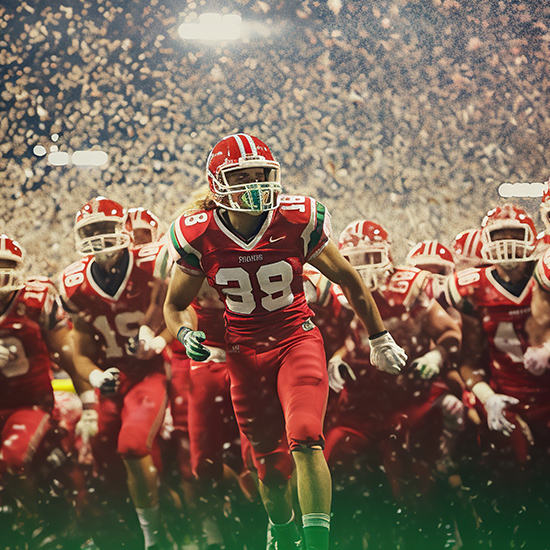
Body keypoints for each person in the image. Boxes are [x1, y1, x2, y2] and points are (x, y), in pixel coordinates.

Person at [163, 133, 407, 550]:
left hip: (296, 338)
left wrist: (379, 337)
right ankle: (282, 528)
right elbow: (174, 305)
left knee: (308, 434)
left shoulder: (297, 219)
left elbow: (348, 278)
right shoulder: (197, 232)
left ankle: (317, 544)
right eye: (243, 177)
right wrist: (185, 332)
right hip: (243, 353)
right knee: (270, 467)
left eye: (263, 175)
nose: (256, 186)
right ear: (216, 183)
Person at [324, 221, 464, 548]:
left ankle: (430, 532)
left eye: (373, 256)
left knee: (412, 478)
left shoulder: (410, 287)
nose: (366, 267)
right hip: (359, 404)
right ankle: (349, 535)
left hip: (407, 398)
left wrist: (438, 357)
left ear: (388, 255)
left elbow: (448, 333)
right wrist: (337, 356)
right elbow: (333, 337)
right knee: (335, 460)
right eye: (357, 259)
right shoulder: (335, 293)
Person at [59, 196, 174, 550]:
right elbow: (80, 350)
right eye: (89, 231)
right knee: (103, 460)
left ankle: (156, 537)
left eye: (104, 229)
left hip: (148, 373)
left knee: (134, 444)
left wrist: (157, 341)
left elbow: (180, 313)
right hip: (112, 379)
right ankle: (123, 533)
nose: (97, 238)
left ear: (123, 229)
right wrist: (94, 378)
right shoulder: (75, 284)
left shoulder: (153, 263)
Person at [446, 203, 549, 547]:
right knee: (508, 485)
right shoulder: (474, 288)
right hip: (510, 398)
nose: (507, 243)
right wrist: (487, 396)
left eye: (514, 234)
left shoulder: (545, 275)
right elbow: (470, 359)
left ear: (532, 238)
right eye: (498, 235)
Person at [0, 234, 93, 548]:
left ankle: (34, 522)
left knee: (12, 458)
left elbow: (67, 356)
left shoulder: (36, 298)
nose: (1, 273)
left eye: (8, 265)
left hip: (31, 405)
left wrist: (89, 404)